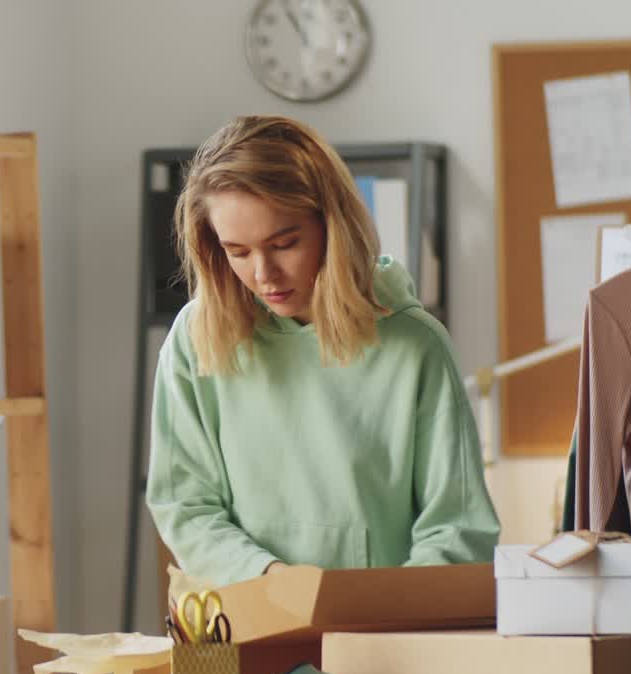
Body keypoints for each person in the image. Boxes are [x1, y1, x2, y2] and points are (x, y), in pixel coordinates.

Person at [146, 116, 499, 587]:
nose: (264, 273)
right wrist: (276, 582)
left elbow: (458, 527)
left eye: (284, 243)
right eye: (238, 251)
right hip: (242, 628)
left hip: (380, 638)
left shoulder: (416, 347)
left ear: (333, 226)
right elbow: (184, 506)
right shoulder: (195, 339)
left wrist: (368, 611)